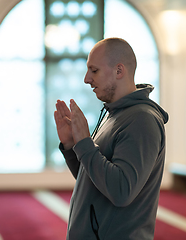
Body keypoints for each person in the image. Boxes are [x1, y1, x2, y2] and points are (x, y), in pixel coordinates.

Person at [54, 37, 169, 240]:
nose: (86, 78)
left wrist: (85, 144)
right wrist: (73, 146)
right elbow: (95, 179)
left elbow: (121, 190)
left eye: (94, 70)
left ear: (119, 70)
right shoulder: (114, 115)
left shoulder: (141, 120)